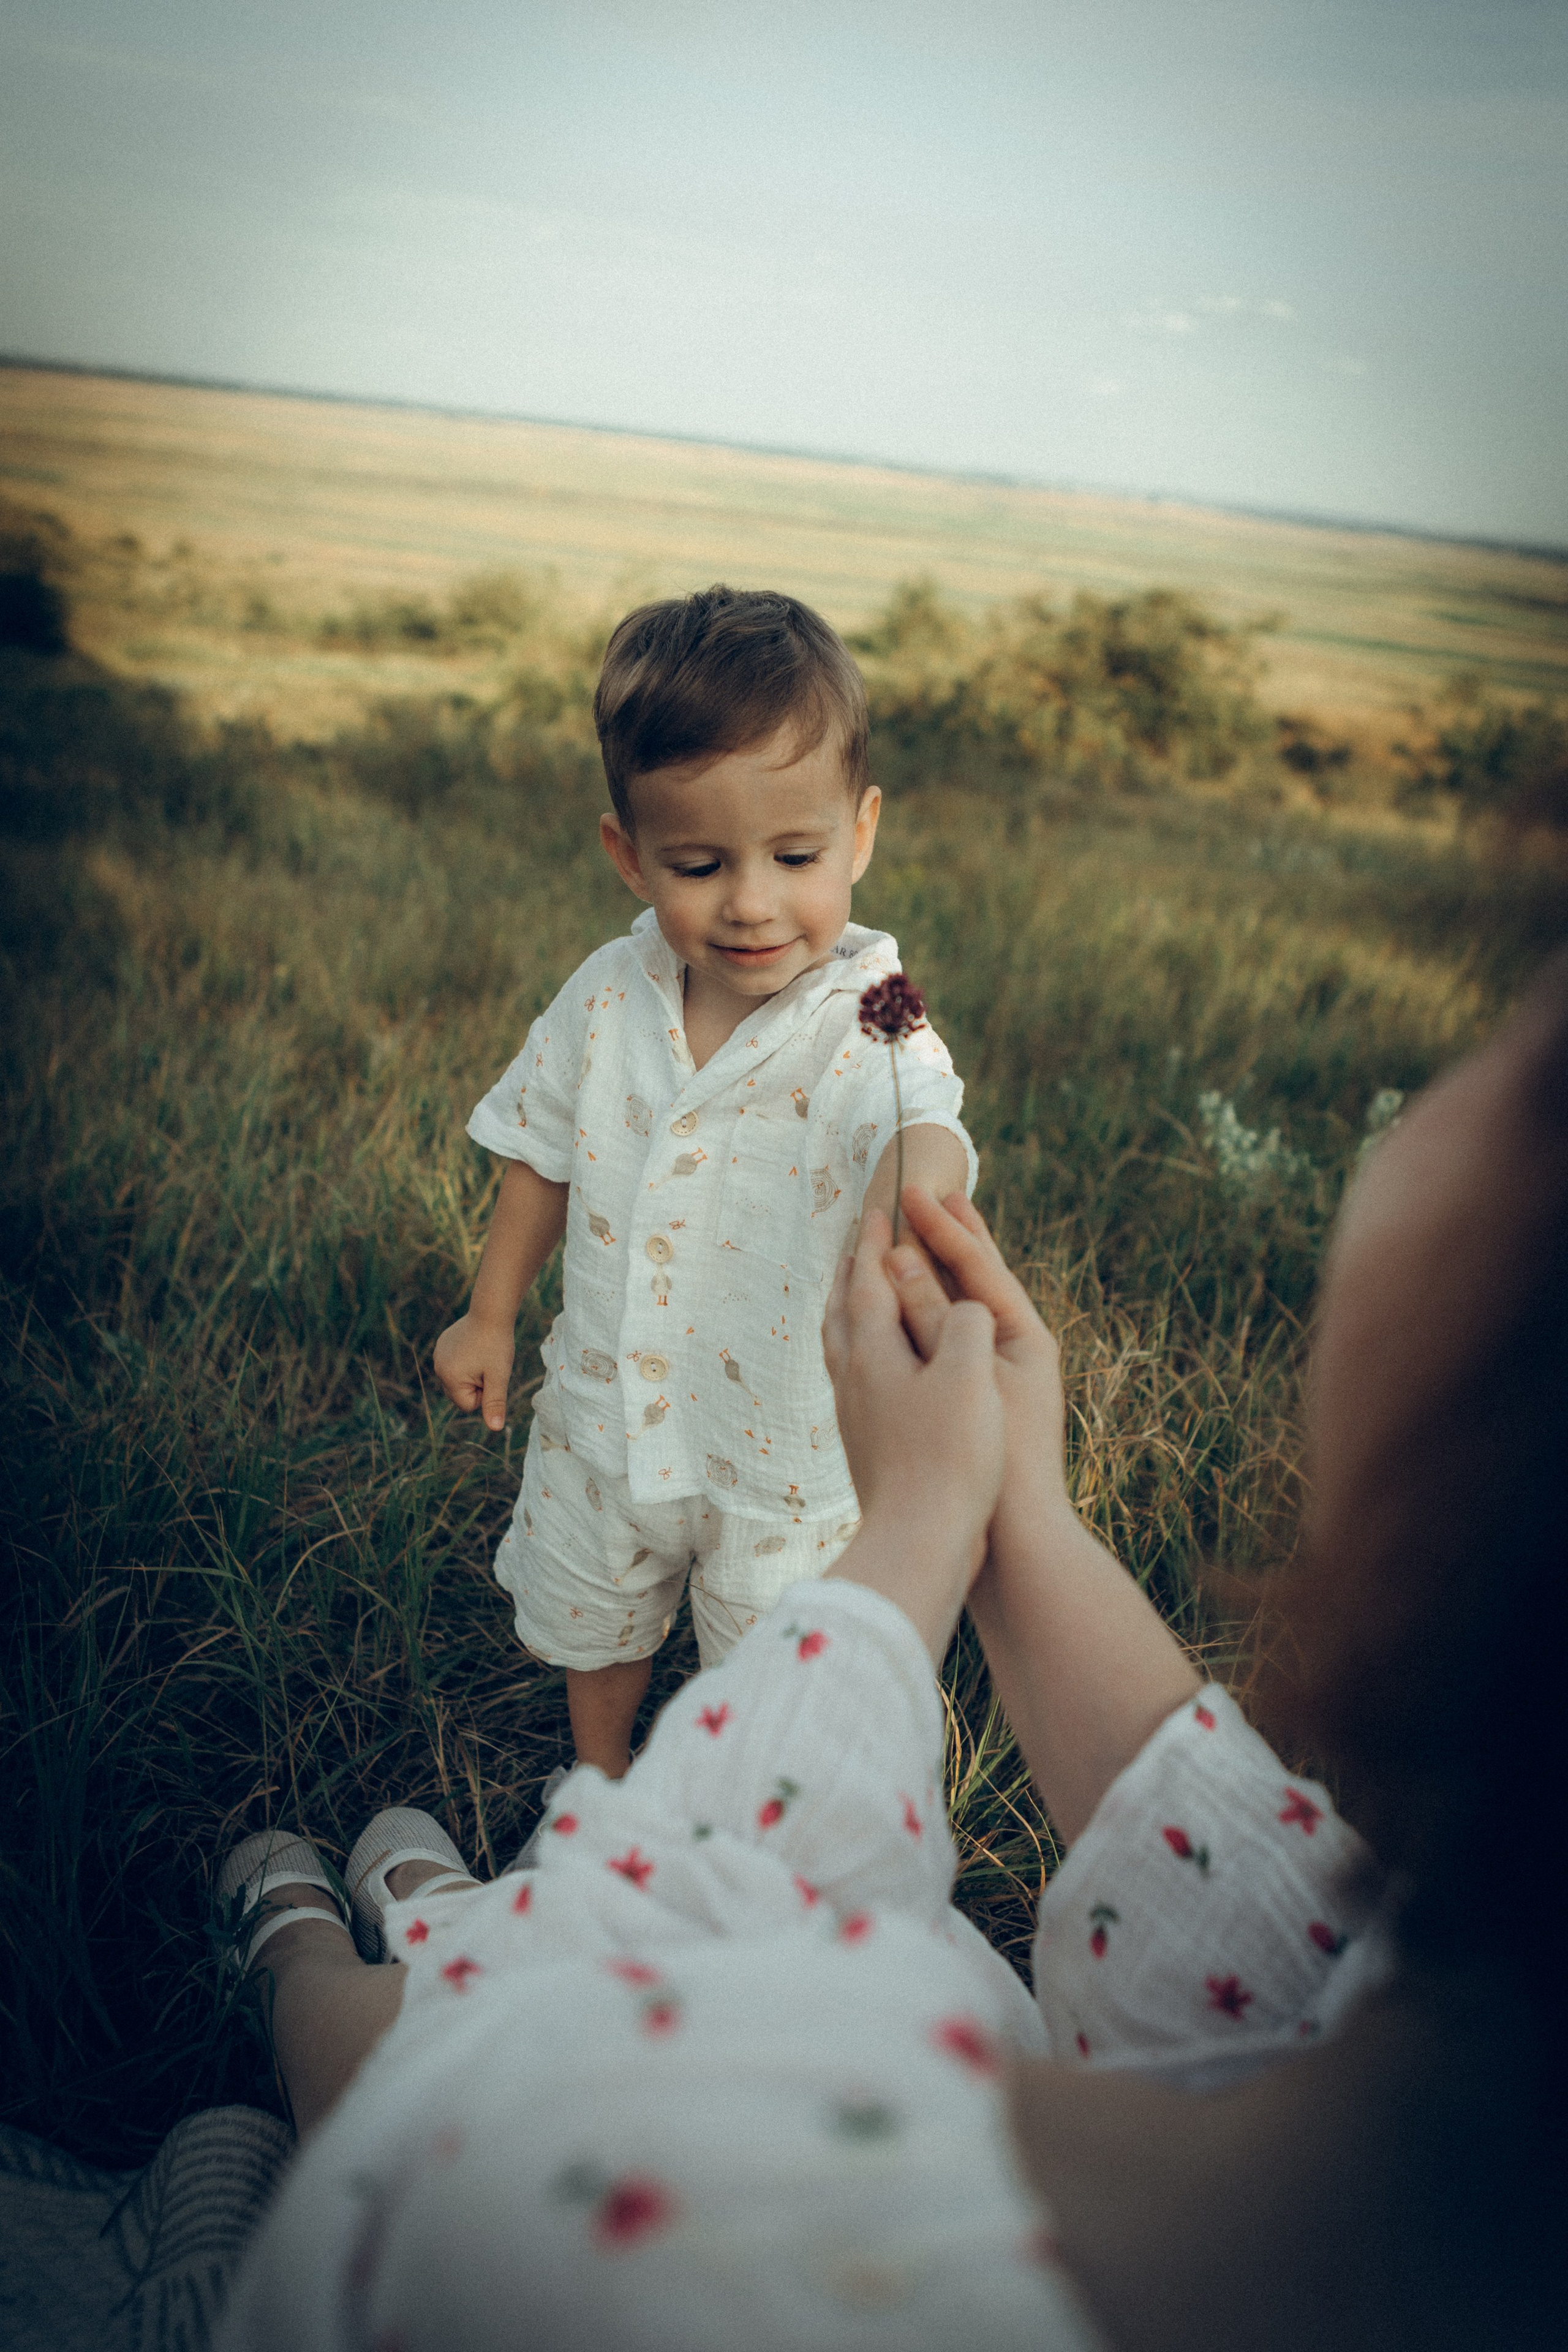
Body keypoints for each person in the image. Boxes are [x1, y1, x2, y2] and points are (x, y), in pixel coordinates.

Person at [214, 957, 1567, 2352]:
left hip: (503, 2073)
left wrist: (919, 1517)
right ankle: (441, 1902)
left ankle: (306, 1967)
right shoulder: (1394, 2024)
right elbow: (1217, 1872)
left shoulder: (659, 2194)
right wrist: (1016, 1518)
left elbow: (639, 1950)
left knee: (424, 2024)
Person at [432, 586, 975, 1779]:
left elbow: (919, 1119)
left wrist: (902, 1197)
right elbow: (542, 1154)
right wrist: (489, 1312)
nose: (749, 900)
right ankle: (600, 1777)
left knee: (769, 1655)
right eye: (697, 862)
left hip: (783, 1440)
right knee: (599, 1612)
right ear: (628, 856)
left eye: (795, 856)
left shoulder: (864, 1014)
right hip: (611, 1414)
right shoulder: (607, 997)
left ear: (861, 835)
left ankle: (735, 1815)